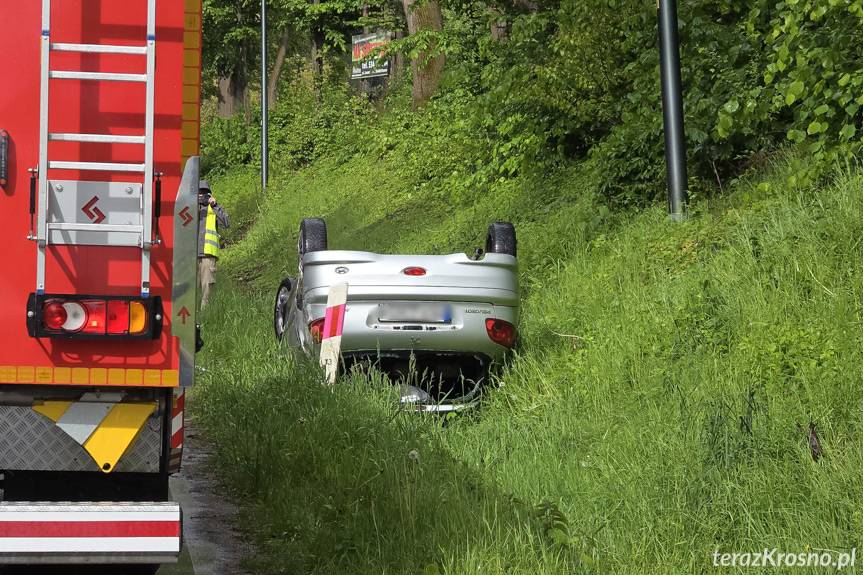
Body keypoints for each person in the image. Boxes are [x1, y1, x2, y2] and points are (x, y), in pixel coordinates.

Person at [197, 180, 229, 309]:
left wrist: (215, 206)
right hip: (190, 255)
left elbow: (226, 223)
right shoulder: (188, 208)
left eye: (205, 194)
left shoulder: (213, 208)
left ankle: (205, 316)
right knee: (190, 291)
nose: (201, 196)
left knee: (207, 291)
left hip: (208, 255)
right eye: (199, 193)